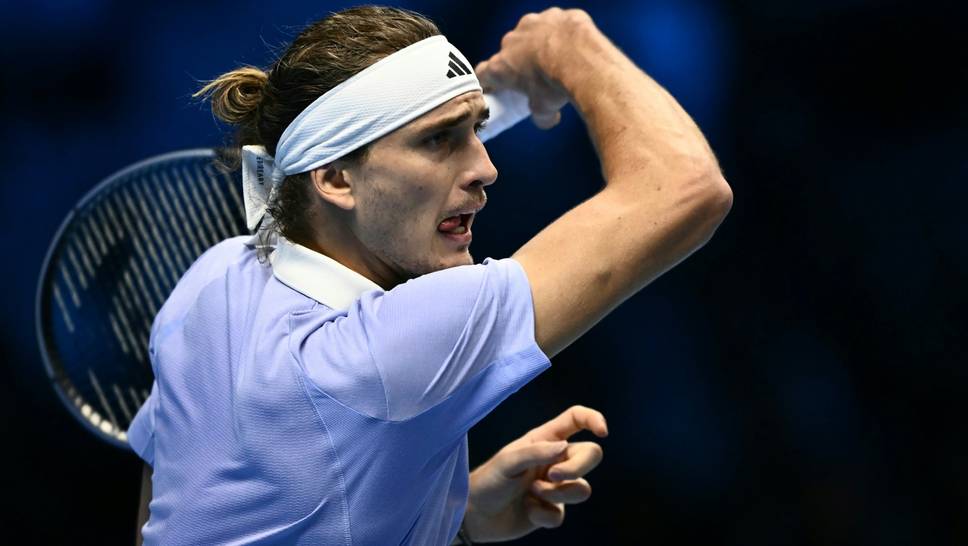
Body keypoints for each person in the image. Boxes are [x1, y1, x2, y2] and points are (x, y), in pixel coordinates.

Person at [128, 5, 732, 545]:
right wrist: (567, 42)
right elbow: (685, 189)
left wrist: (449, 517)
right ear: (335, 179)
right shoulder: (389, 348)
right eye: (440, 140)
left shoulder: (213, 277)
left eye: (476, 129)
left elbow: (171, 511)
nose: (487, 168)